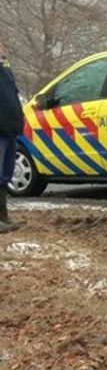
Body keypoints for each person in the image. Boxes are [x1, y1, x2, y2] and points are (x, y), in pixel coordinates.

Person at [0, 36, 24, 232]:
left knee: (5, 174)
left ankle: (3, 215)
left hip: (9, 128)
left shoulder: (5, 66)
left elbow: (11, 96)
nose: (2, 47)